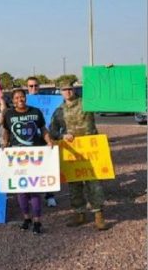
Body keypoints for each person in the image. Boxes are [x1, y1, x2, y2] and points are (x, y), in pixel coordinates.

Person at [49, 78, 108, 231]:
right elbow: (52, 131)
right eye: (64, 90)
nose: (67, 92)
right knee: (74, 185)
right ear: (60, 92)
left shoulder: (87, 103)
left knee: (94, 183)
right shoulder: (59, 111)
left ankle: (98, 214)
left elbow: (107, 98)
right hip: (73, 152)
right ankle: (79, 213)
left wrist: (107, 72)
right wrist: (62, 136)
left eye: (70, 89)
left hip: (91, 150)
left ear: (74, 89)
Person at [1, 88, 55, 235]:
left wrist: (49, 141)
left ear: (25, 98)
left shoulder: (35, 112)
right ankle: (26, 218)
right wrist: (5, 143)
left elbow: (43, 129)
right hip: (16, 157)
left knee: (34, 190)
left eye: (22, 97)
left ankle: (37, 221)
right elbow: (6, 131)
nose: (20, 99)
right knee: (21, 191)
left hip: (34, 156)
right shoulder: (9, 114)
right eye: (16, 97)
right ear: (13, 100)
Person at [26, 76, 57, 208]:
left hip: (44, 137)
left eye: (36, 85)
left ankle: (50, 195)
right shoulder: (23, 101)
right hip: (29, 139)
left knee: (47, 167)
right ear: (27, 87)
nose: (34, 88)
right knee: (28, 168)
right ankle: (30, 195)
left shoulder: (47, 100)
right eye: (31, 86)